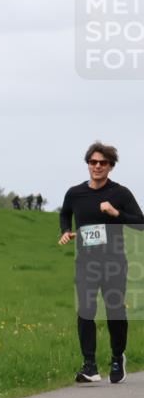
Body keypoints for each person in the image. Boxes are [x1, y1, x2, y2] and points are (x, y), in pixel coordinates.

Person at [59, 142, 144, 384]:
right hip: (86, 262)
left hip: (114, 262)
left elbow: (140, 223)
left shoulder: (121, 194)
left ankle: (117, 357)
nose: (97, 166)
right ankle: (90, 366)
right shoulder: (75, 193)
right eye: (93, 162)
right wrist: (66, 230)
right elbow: (65, 213)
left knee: (115, 312)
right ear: (88, 164)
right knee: (85, 310)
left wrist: (117, 214)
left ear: (111, 166)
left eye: (103, 163)